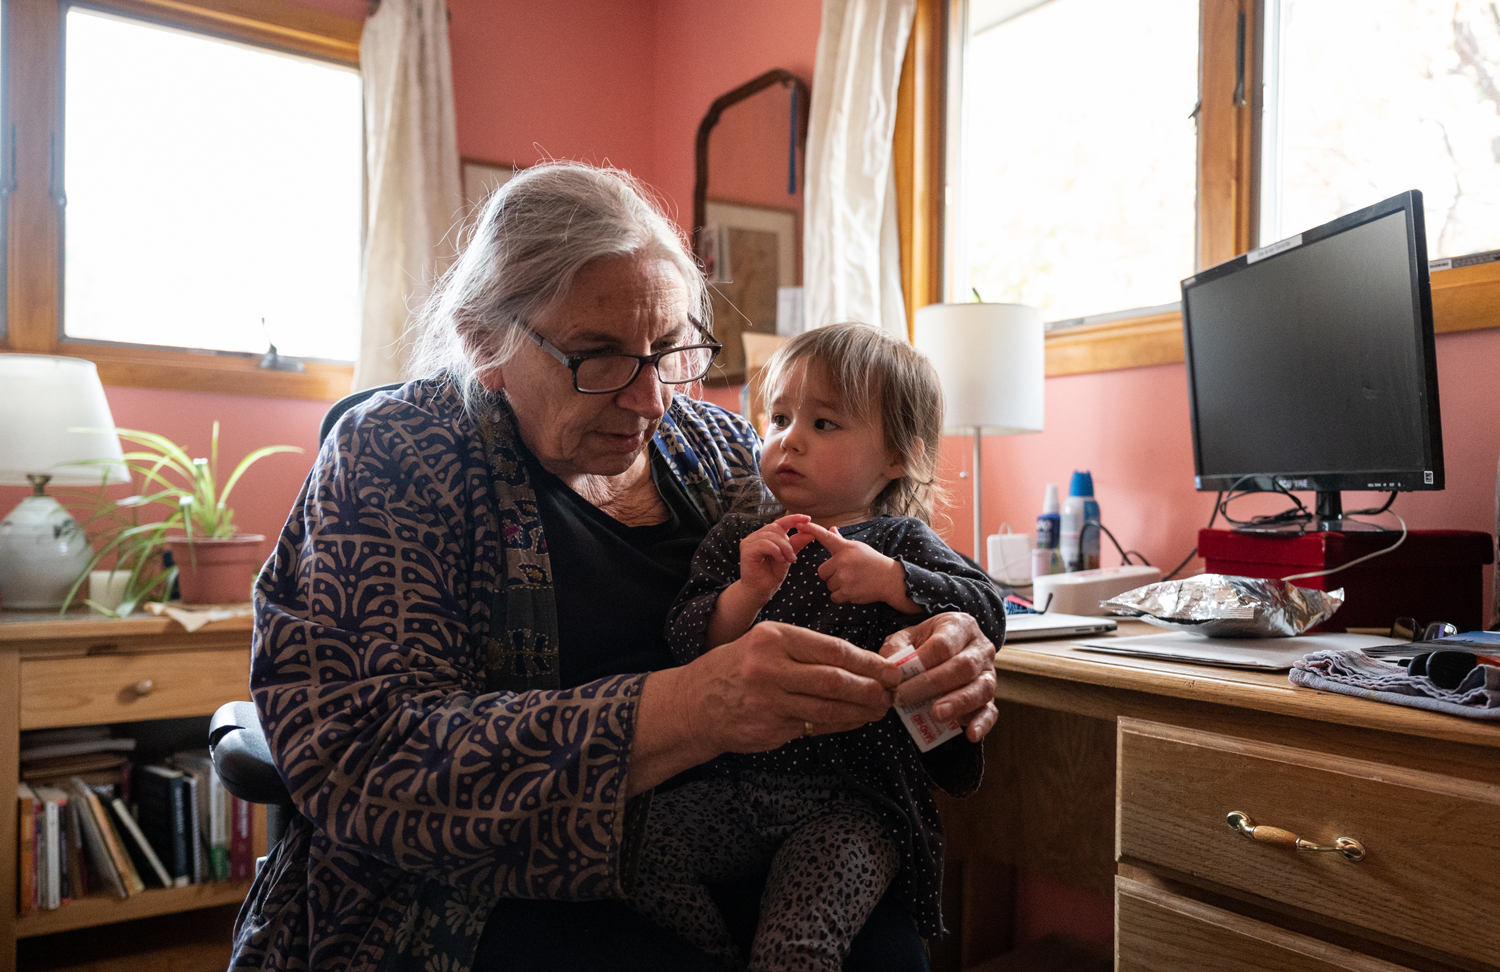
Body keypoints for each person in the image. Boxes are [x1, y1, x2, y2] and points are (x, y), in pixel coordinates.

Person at [231, 162, 1000, 972]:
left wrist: (941, 634)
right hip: (476, 892)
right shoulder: (397, 455)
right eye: (598, 356)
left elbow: (862, 573)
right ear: (484, 340)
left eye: (666, 349)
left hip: (751, 834)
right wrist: (692, 708)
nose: (651, 400)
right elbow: (364, 753)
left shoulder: (717, 449)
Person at [631, 324, 1006, 971]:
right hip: (738, 786)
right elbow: (687, 639)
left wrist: (894, 582)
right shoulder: (740, 538)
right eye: (779, 418)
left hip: (852, 804)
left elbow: (988, 609)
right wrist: (746, 593)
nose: (789, 439)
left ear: (900, 456)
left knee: (799, 944)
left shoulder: (899, 542)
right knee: (637, 852)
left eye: (824, 424)